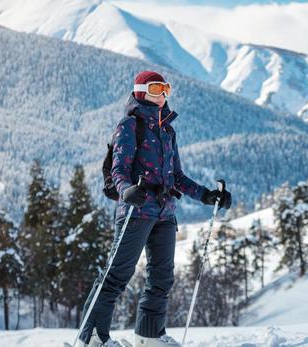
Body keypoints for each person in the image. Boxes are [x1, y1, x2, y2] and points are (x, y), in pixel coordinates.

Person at [78, 70, 232, 347]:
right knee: (116, 275)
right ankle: (93, 338)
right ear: (140, 91)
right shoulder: (130, 125)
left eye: (166, 89)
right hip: (135, 212)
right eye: (155, 88)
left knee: (162, 277)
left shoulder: (167, 130)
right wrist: (126, 191)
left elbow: (177, 177)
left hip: (165, 213)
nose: (162, 95)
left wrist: (207, 196)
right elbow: (119, 170)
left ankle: (149, 335)